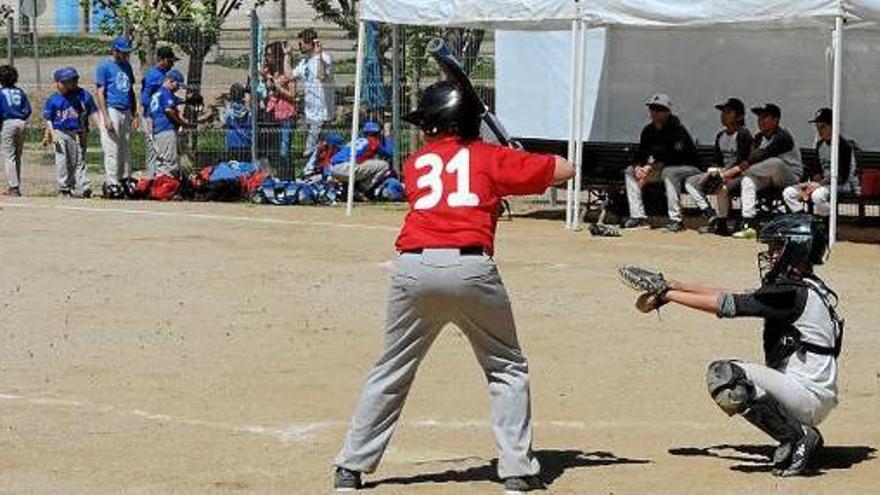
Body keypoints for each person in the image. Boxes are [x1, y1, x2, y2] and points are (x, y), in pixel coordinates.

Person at [332, 81, 575, 493]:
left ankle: (350, 466)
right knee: (507, 366)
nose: (423, 132)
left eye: (428, 125)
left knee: (391, 368)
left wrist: (502, 157)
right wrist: (513, 154)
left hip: (412, 268)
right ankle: (516, 469)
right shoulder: (489, 156)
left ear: (439, 126)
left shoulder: (417, 162)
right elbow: (566, 169)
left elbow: (458, 171)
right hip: (471, 268)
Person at [641, 214, 841, 477]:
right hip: (811, 393)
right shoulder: (808, 288)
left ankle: (798, 436)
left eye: (776, 248)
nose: (770, 254)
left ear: (795, 248)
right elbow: (735, 295)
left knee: (725, 376)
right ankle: (801, 433)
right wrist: (678, 286)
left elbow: (728, 306)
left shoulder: (791, 294)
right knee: (739, 378)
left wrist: (668, 295)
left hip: (805, 396)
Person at [623, 94, 700, 232]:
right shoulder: (648, 130)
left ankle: (676, 220)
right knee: (630, 171)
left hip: (688, 169)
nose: (655, 112)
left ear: (668, 112)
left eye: (659, 109)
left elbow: (674, 158)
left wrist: (649, 168)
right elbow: (640, 154)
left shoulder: (677, 130)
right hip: (663, 170)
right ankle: (639, 218)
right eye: (652, 108)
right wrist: (638, 168)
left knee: (669, 172)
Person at [732, 104, 803, 239]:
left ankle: (740, 175)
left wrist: (736, 172)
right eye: (759, 117)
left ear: (776, 120)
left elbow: (764, 155)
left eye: (764, 117)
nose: (760, 120)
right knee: (748, 181)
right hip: (766, 176)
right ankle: (749, 225)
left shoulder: (783, 136)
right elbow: (751, 158)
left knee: (776, 163)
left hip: (789, 178)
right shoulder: (759, 137)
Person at [684, 98, 753, 236]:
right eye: (723, 112)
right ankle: (711, 215)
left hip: (739, 175)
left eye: (728, 112)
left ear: (739, 116)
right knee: (691, 182)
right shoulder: (720, 136)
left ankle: (722, 223)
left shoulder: (743, 134)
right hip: (722, 173)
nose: (723, 115)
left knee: (721, 186)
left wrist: (724, 175)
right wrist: (712, 172)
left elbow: (743, 163)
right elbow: (717, 161)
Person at [782, 108, 854, 218]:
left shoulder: (844, 146)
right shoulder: (820, 145)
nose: (820, 130)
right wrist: (813, 181)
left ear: (832, 126)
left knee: (817, 195)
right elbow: (816, 170)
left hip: (842, 185)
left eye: (823, 126)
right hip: (823, 184)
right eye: (818, 127)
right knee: (789, 192)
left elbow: (841, 177)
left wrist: (818, 185)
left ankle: (827, 225)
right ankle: (804, 220)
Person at [41, 67, 99, 198]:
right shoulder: (54, 99)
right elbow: (49, 119)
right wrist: (50, 134)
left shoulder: (81, 95)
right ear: (58, 83)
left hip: (76, 132)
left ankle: (75, 186)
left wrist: (98, 128)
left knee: (76, 160)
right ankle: (64, 187)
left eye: (74, 80)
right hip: (59, 131)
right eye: (67, 81)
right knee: (62, 160)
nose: (71, 83)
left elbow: (91, 112)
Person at [95, 36, 138, 195]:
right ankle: (112, 182)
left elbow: (131, 91)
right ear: (114, 50)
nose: (125, 55)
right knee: (111, 147)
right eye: (122, 52)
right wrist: (105, 117)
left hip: (126, 109)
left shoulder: (127, 66)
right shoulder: (105, 67)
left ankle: (125, 179)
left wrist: (135, 113)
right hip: (111, 108)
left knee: (126, 146)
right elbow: (100, 92)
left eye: (126, 52)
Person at [285, 28, 335, 158]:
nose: (299, 46)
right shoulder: (304, 62)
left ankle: (310, 173)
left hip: (321, 113)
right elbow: (289, 76)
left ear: (309, 43)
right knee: (319, 151)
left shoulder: (324, 58)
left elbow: (321, 76)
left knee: (310, 151)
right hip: (310, 112)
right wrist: (287, 56)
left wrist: (318, 56)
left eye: (301, 43)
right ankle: (318, 172)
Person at [327, 121, 393, 198]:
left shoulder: (356, 140)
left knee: (363, 164)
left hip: (333, 169)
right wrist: (387, 135)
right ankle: (360, 191)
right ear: (377, 133)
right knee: (384, 165)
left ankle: (347, 191)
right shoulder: (372, 141)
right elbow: (389, 152)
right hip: (347, 168)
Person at [140, 46, 179, 177]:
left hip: (161, 118)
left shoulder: (166, 75)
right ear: (161, 60)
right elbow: (144, 99)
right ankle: (151, 181)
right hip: (151, 118)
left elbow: (167, 97)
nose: (172, 64)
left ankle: (159, 181)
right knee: (153, 151)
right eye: (170, 61)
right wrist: (152, 115)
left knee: (161, 153)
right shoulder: (152, 75)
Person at [148, 69, 194, 177]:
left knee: (162, 162)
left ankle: (160, 187)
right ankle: (167, 189)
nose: (178, 88)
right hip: (166, 130)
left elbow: (175, 100)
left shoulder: (158, 93)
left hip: (158, 131)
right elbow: (169, 111)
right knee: (170, 163)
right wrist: (182, 123)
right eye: (177, 85)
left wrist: (188, 101)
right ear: (171, 81)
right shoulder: (165, 93)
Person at [0, 65, 31, 196]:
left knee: (9, 156)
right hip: (22, 123)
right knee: (17, 156)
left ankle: (13, 187)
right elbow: (28, 109)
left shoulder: (1, 92)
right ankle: (15, 185)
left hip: (8, 123)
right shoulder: (20, 91)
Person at [263, 71, 297, 164]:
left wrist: (278, 87)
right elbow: (270, 92)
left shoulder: (288, 76)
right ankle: (279, 170)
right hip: (275, 117)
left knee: (284, 149)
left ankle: (285, 171)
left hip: (287, 117)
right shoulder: (272, 76)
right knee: (275, 148)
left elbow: (293, 95)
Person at [221, 83, 252, 163]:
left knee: (233, 166)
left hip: (232, 143)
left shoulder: (229, 109)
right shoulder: (248, 111)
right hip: (245, 143)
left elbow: (223, 121)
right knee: (245, 166)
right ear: (242, 96)